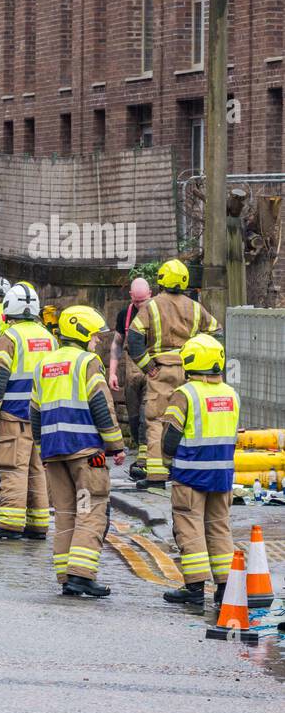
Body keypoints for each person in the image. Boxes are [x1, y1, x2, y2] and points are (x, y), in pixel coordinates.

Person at [31, 306, 127, 597]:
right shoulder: (87, 363)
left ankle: (65, 576)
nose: (97, 342)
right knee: (91, 509)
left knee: (64, 513)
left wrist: (41, 449)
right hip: (86, 453)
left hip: (53, 453)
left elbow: (34, 412)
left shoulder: (44, 365)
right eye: (96, 336)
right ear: (84, 334)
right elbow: (101, 405)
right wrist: (116, 445)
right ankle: (82, 575)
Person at [160, 334, 240, 607]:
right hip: (222, 475)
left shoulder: (185, 394)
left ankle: (194, 588)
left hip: (190, 474)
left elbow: (170, 436)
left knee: (189, 526)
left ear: (190, 363)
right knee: (219, 527)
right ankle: (225, 587)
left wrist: (168, 463)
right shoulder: (231, 394)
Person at [126, 258, 221, 489]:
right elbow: (216, 332)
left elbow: (134, 337)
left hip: (161, 372)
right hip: (190, 372)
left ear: (161, 280)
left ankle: (157, 477)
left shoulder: (152, 306)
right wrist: (200, 361)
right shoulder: (196, 307)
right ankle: (183, 470)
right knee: (185, 421)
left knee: (157, 420)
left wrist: (148, 366)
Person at [0, 282, 57, 541]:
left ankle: (9, 523)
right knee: (37, 470)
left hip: (14, 416)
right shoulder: (49, 338)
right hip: (42, 418)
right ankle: (38, 524)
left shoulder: (9, 337)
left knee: (12, 467)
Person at [110, 276, 152, 481]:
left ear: (150, 295)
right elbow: (117, 344)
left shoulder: (157, 314)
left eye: (142, 301)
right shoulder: (124, 315)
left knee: (146, 416)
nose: (139, 305)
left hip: (151, 373)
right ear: (131, 297)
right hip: (131, 375)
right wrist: (112, 372)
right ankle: (140, 454)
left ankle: (145, 462)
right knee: (134, 420)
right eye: (136, 301)